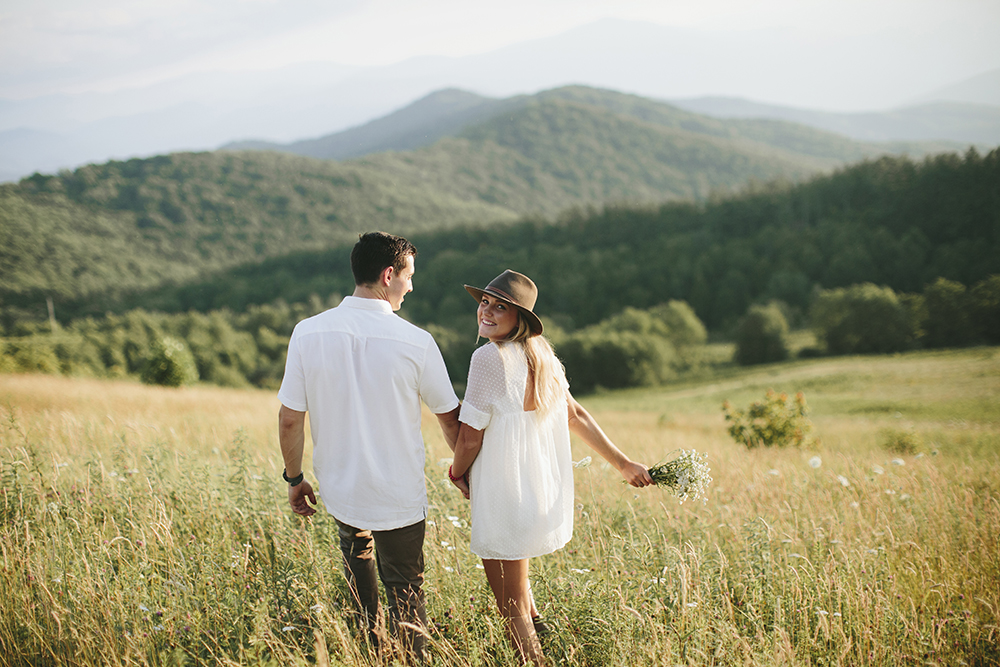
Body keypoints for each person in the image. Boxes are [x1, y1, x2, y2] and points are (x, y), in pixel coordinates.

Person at [448, 269, 654, 665]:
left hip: (503, 491)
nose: (486, 311)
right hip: (534, 488)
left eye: (500, 307)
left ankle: (536, 659)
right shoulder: (542, 356)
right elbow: (576, 415)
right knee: (515, 590)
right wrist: (623, 463)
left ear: (519, 318)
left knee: (511, 605)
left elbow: (470, 436)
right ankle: (547, 637)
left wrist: (457, 474)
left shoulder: (487, 358)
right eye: (485, 302)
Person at [277, 231, 461, 662]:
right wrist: (464, 472)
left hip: (342, 490)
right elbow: (449, 417)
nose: (411, 287)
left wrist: (295, 479)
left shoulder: (307, 332)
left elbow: (290, 418)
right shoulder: (417, 341)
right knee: (405, 591)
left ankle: (369, 650)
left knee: (358, 571)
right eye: (409, 276)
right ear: (388, 274)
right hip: (398, 494)